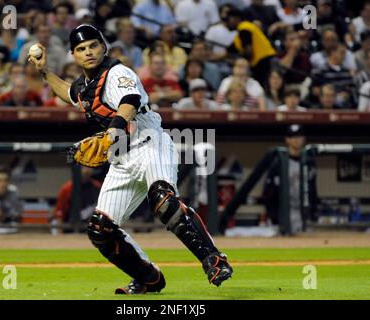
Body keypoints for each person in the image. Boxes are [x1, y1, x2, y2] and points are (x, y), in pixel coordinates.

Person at [28, 24, 232, 294]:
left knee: (163, 200)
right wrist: (44, 71)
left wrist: (114, 127)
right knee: (101, 229)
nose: (88, 52)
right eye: (81, 49)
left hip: (150, 144)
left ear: (104, 47)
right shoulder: (84, 85)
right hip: (122, 159)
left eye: (93, 45)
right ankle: (149, 278)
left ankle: (213, 259)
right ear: (73, 55)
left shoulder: (117, 72)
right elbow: (68, 93)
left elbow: (130, 100)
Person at [262, 124, 318, 234]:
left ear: (304, 139)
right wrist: (273, 215)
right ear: (287, 139)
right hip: (284, 211)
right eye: (293, 137)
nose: (297, 140)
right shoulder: (278, 162)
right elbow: (268, 192)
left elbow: (313, 189)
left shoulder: (310, 162)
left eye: (299, 136)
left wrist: (313, 212)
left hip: (303, 211)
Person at [226, 8, 277, 87]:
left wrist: (239, 61)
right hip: (265, 61)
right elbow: (228, 51)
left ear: (236, 18)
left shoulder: (244, 27)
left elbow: (249, 51)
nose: (227, 22)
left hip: (264, 62)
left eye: (229, 19)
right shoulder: (240, 33)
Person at [54, 166, 104, 232]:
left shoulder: (98, 187)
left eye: (89, 167)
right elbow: (59, 214)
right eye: (84, 167)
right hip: (69, 230)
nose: (87, 170)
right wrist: (59, 234)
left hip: (90, 230)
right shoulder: (67, 188)